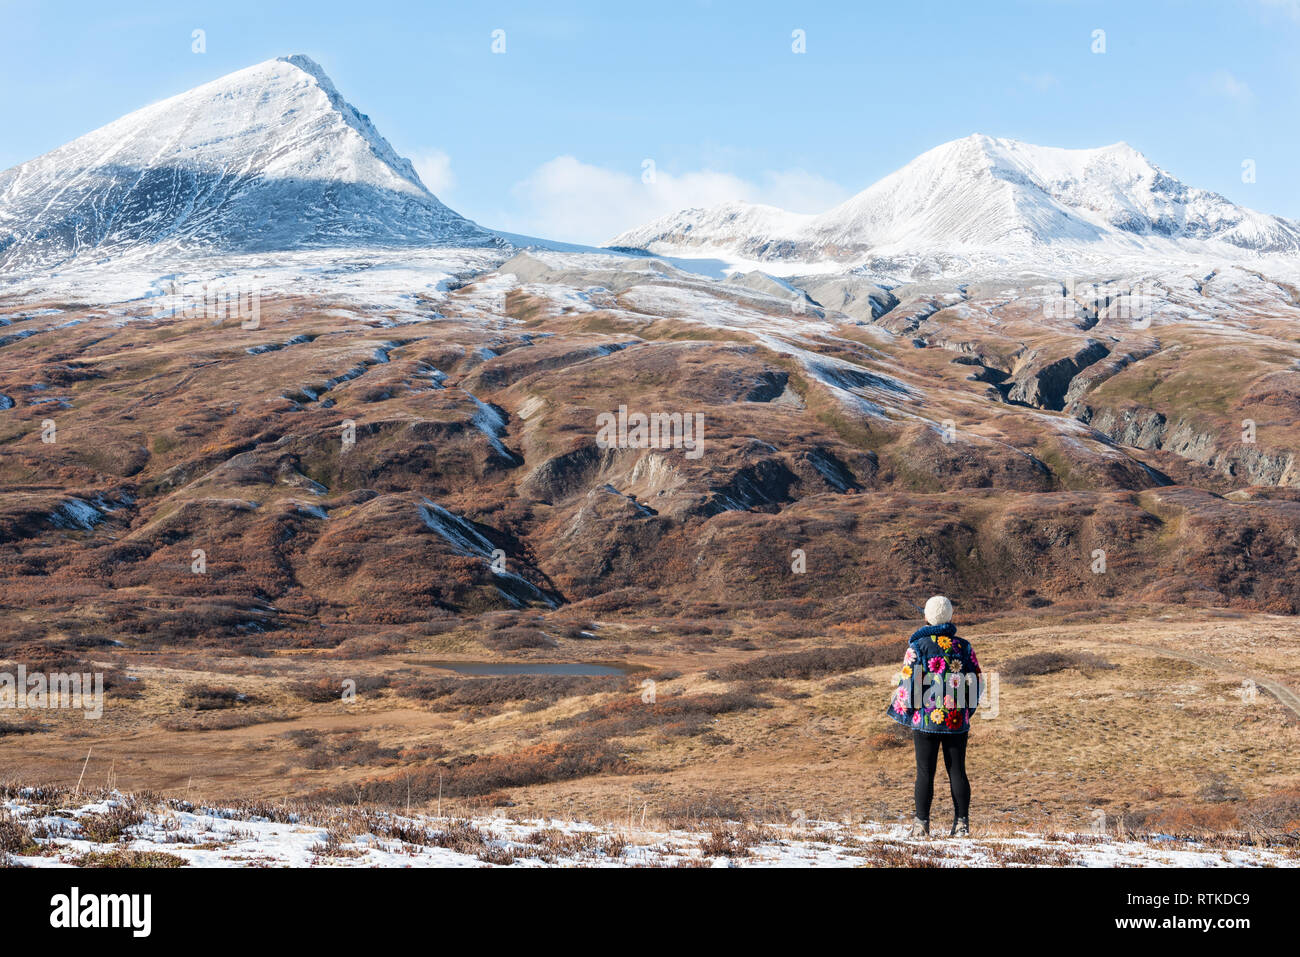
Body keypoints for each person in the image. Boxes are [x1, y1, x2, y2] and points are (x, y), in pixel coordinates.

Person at [885, 595, 982, 838]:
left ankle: (921, 826)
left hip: (925, 721)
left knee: (925, 772)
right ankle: (961, 825)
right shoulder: (964, 647)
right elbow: (977, 682)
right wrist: (967, 711)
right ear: (950, 617)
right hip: (957, 721)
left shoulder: (917, 647)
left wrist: (907, 712)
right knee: (958, 771)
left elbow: (907, 684)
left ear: (926, 617)